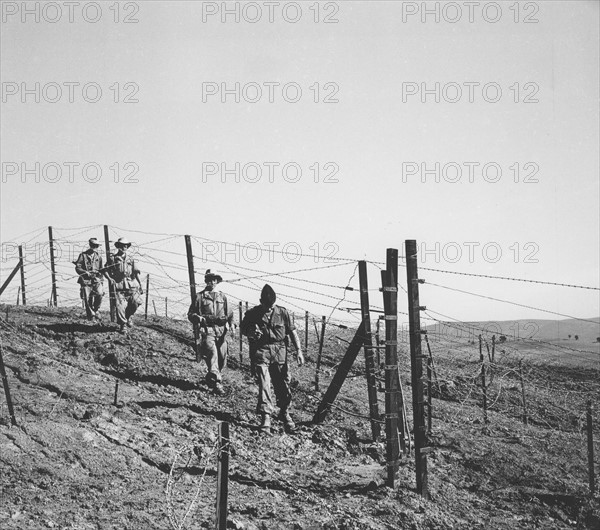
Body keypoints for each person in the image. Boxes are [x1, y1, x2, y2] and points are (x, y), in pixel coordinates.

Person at [241, 284, 304, 434]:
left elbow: (292, 332)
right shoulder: (253, 313)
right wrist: (250, 332)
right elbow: (243, 329)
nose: (269, 308)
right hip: (261, 351)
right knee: (265, 384)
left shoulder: (282, 313)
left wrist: (299, 351)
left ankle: (284, 412)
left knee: (282, 385)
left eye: (271, 306)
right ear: (261, 301)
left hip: (279, 353)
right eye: (266, 305)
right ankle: (266, 417)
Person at [187, 269, 233, 395]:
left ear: (217, 281)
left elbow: (229, 314)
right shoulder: (200, 296)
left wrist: (232, 324)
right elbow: (190, 314)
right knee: (212, 354)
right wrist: (197, 318)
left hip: (221, 331)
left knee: (222, 356)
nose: (211, 282)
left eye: (214, 279)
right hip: (207, 330)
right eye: (209, 279)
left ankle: (212, 376)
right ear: (206, 280)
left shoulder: (222, 296)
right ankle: (217, 383)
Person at [106, 237, 142, 333]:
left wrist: (140, 284)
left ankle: (128, 316)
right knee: (120, 306)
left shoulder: (131, 258)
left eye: (126, 246)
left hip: (131, 285)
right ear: (118, 246)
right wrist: (110, 279)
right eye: (122, 245)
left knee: (135, 303)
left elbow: (136, 272)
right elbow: (105, 270)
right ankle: (123, 325)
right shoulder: (113, 258)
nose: (124, 247)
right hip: (119, 285)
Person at [74, 238, 106, 321]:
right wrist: (85, 272)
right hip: (85, 280)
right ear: (90, 245)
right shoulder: (83, 255)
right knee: (87, 298)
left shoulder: (98, 256)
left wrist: (101, 280)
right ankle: (90, 315)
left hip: (96, 280)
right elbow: (78, 267)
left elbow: (101, 269)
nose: (95, 247)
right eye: (93, 245)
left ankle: (96, 310)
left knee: (99, 294)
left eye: (96, 246)